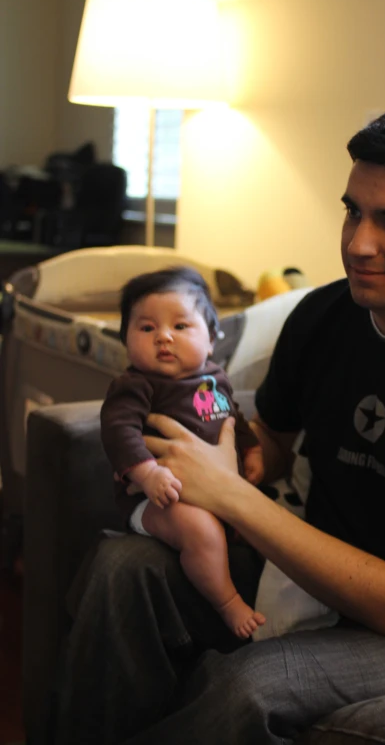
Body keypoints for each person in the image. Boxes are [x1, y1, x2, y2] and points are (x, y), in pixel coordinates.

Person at [55, 104, 385, 745]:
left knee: (252, 686)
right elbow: (271, 442)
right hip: (311, 565)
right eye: (353, 210)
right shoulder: (326, 315)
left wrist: (233, 495)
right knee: (121, 569)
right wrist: (216, 456)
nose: (358, 243)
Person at [100, 266, 266, 639]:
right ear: (126, 339)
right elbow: (118, 431)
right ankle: (227, 602)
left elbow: (231, 417)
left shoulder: (215, 379)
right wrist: (147, 473)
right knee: (200, 529)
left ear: (210, 340)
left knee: (264, 522)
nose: (163, 337)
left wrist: (251, 449)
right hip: (156, 502)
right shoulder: (136, 386)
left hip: (218, 493)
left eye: (180, 326)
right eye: (146, 328)